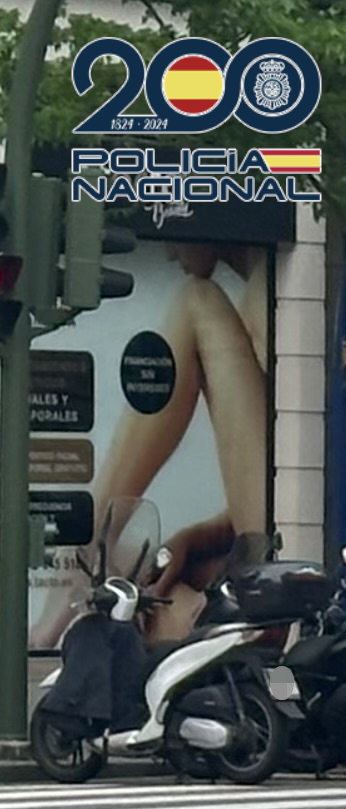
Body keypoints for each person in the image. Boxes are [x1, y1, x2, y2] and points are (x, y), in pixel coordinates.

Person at [30, 244, 272, 647]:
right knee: (151, 572)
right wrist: (193, 538)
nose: (169, 256)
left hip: (265, 547)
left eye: (175, 240)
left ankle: (85, 552)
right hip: (254, 545)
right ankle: (95, 557)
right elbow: (269, 484)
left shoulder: (272, 289)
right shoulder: (264, 291)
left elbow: (276, 491)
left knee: (197, 300)